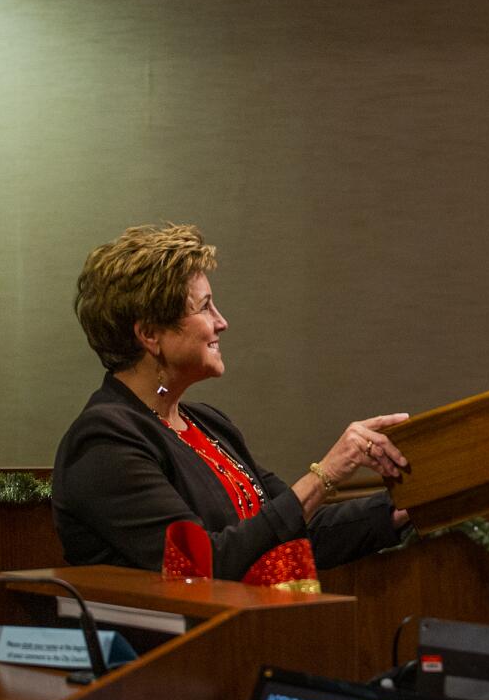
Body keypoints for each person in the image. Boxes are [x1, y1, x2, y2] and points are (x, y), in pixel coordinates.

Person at [54, 223, 410, 581]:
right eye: (205, 307)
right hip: (176, 636)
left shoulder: (208, 423)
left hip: (249, 629)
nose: (221, 322)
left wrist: (407, 504)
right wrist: (326, 475)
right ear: (149, 334)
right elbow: (201, 565)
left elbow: (297, 532)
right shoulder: (104, 441)